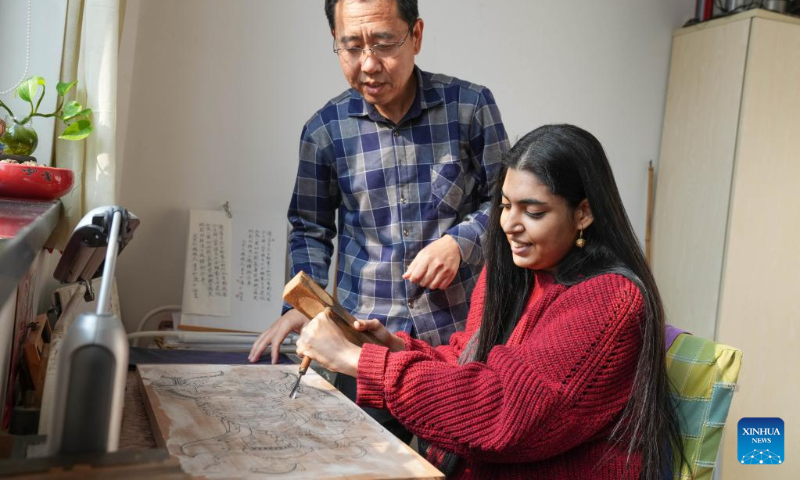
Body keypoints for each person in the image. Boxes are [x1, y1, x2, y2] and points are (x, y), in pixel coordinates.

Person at [295, 124, 687, 479]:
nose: (509, 225)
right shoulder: (515, 272)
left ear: (583, 213)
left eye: (533, 212)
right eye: (504, 205)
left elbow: (504, 413)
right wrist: (394, 348)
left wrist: (360, 362)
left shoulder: (610, 299)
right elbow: (471, 361)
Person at [248, 0, 509, 440]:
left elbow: (507, 203)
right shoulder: (324, 131)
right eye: (350, 47)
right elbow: (310, 230)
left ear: (417, 36)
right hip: (361, 341)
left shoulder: (470, 108)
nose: (368, 64)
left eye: (384, 43)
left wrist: (458, 243)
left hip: (455, 342)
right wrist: (301, 305)